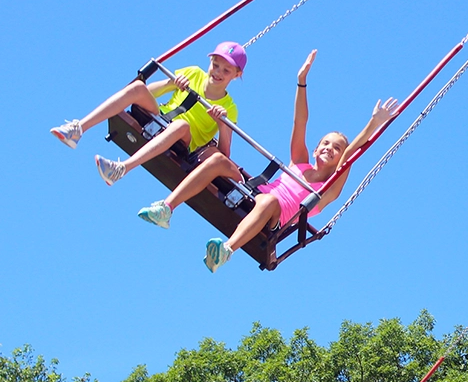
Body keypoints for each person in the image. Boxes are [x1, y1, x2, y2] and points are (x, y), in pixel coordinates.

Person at [134, 49, 398, 272]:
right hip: (254, 194)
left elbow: (352, 154)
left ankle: (227, 250)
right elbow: (300, 121)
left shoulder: (327, 189)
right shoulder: (299, 163)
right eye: (326, 143)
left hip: (274, 217)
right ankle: (166, 208)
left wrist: (373, 124)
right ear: (316, 148)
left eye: (336, 148)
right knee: (217, 159)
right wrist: (302, 81)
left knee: (270, 200)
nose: (330, 148)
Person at [50, 41, 246, 185]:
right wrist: (170, 83)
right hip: (161, 116)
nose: (218, 72)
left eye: (226, 70)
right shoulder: (194, 73)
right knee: (137, 87)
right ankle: (78, 129)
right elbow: (147, 92)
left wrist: (222, 123)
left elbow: (224, 153)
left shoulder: (229, 107)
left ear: (236, 75)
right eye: (216, 65)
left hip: (184, 139)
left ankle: (122, 168)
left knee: (181, 125)